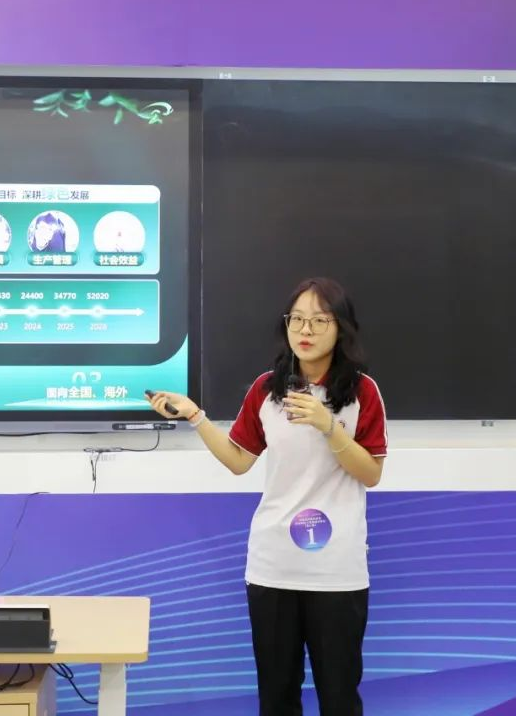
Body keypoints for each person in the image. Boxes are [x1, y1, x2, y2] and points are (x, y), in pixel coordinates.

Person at [147, 276, 387, 715]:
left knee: (339, 697)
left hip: (336, 569)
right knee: (276, 698)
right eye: (297, 319)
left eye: (319, 320)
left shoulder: (362, 393)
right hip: (273, 565)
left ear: (340, 329)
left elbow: (370, 473)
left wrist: (328, 426)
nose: (305, 330)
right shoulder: (266, 390)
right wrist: (196, 416)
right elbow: (239, 460)